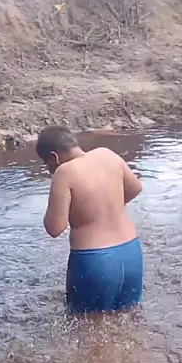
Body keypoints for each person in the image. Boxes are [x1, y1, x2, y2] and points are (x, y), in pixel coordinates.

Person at [36, 125, 143, 313]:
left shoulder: (64, 172)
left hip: (95, 261)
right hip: (131, 253)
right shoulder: (107, 154)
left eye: (47, 165)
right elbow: (135, 188)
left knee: (85, 325)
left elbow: (55, 228)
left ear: (54, 157)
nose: (50, 170)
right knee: (129, 317)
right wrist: (107, 205)